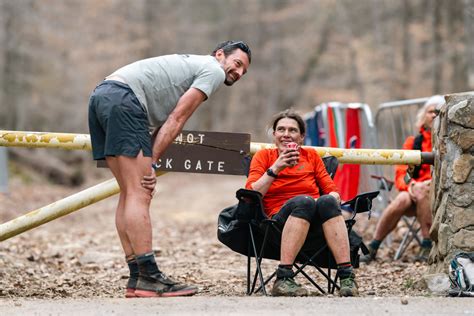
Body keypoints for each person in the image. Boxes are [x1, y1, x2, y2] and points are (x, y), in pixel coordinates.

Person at [88, 41, 251, 298]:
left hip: (102, 96)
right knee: (141, 192)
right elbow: (177, 118)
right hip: (124, 99)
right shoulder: (213, 70)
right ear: (220, 55)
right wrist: (152, 162)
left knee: (130, 192)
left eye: (244, 71)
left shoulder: (194, 64)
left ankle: (137, 277)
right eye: (237, 64)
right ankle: (150, 276)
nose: (238, 73)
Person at [245, 109, 358, 297]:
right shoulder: (264, 157)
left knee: (326, 201)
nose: (286, 134)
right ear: (274, 135)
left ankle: (347, 277)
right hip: (277, 223)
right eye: (281, 129)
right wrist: (276, 167)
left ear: (302, 137)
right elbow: (251, 194)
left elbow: (332, 190)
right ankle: (283, 278)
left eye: (292, 130)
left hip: (316, 223)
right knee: (303, 201)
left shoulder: (311, 156)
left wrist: (332, 198)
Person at [361, 95, 445, 264]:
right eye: (431, 112)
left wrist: (426, 185)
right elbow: (402, 174)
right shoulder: (413, 142)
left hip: (438, 196)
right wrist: (411, 185)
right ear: (423, 116)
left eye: (438, 112)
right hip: (413, 195)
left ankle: (427, 243)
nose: (434, 115)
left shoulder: (447, 141)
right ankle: (374, 246)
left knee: (423, 192)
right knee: (401, 199)